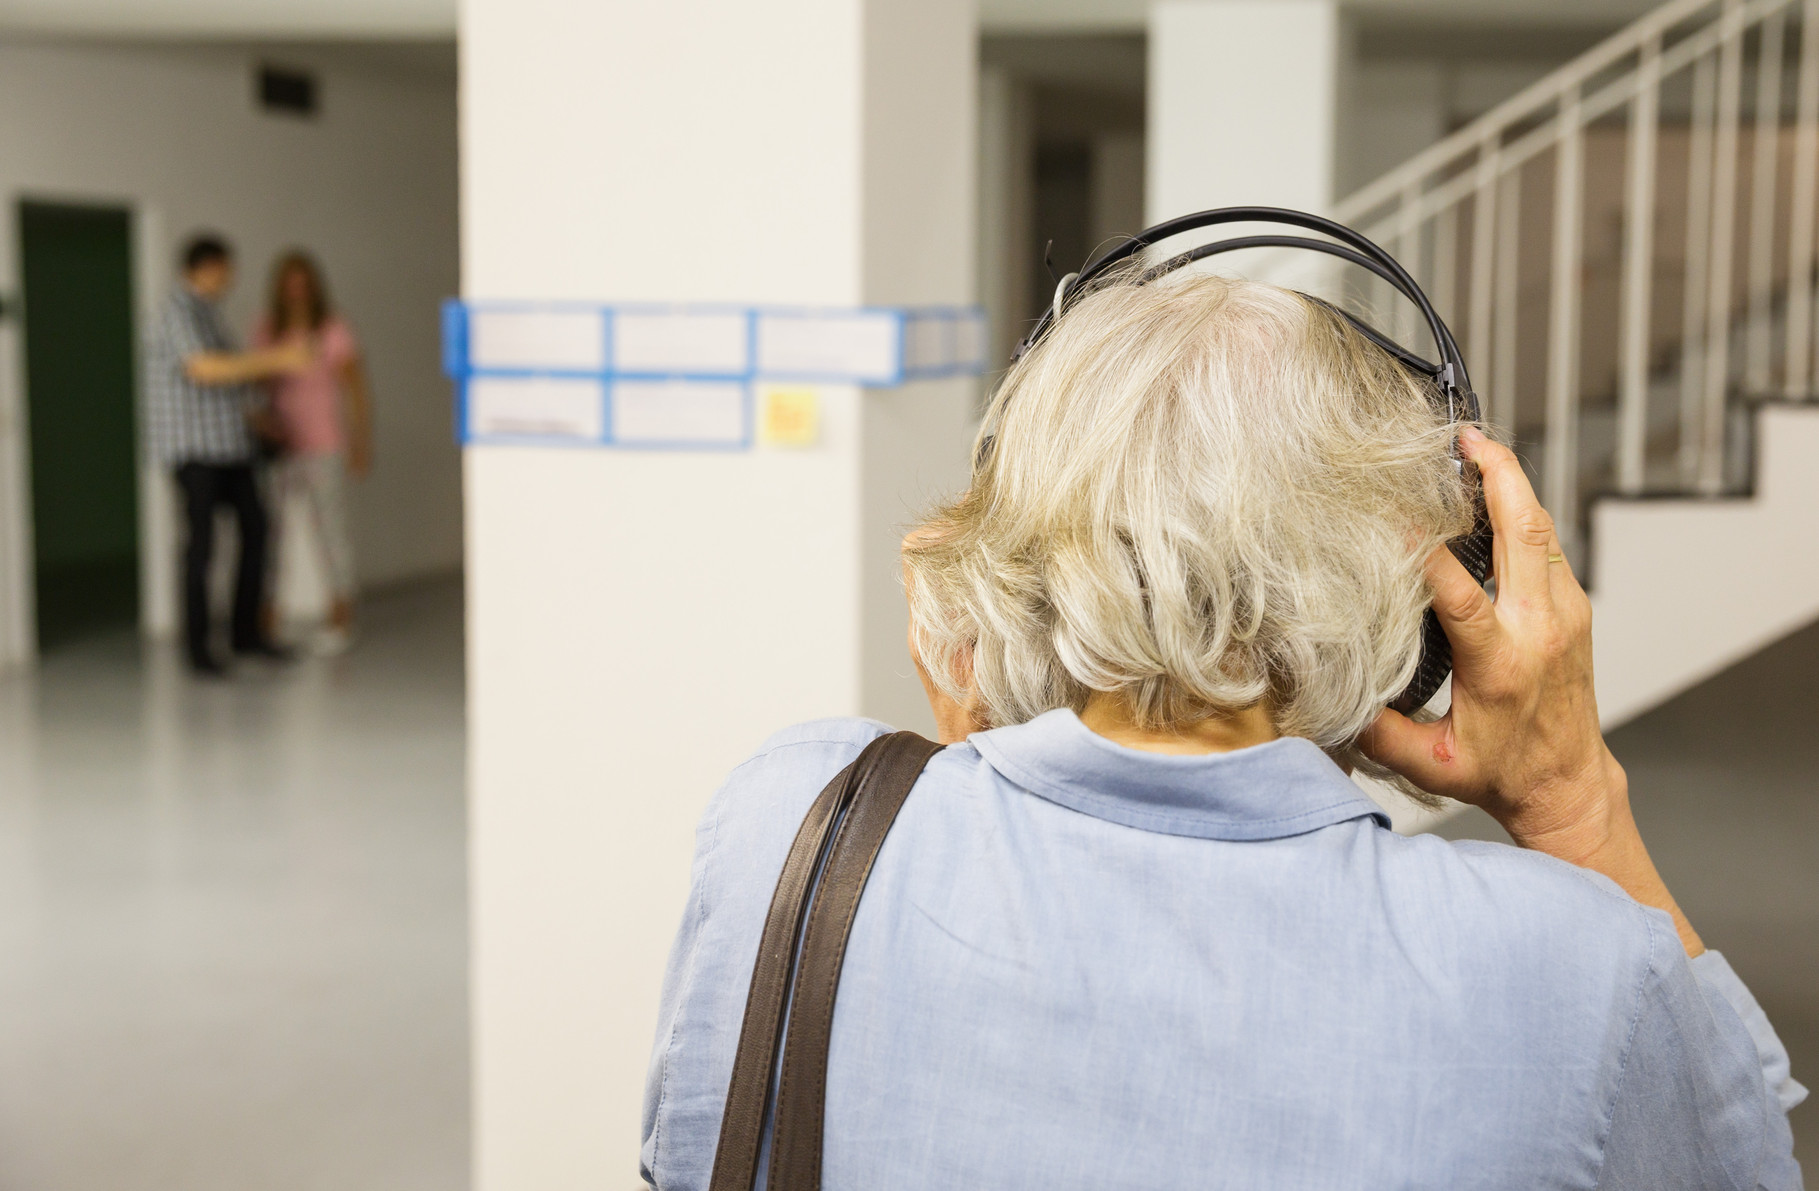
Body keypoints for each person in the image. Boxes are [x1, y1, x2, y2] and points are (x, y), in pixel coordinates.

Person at [639, 272, 1804, 1188]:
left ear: (1013, 542)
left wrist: (974, 743)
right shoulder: (1578, 974)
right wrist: (1570, 807)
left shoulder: (795, 820)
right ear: (1420, 597)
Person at [145, 234, 307, 676]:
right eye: (225, 270)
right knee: (201, 549)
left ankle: (246, 635)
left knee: (257, 532)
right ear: (206, 267)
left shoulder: (210, 315)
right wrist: (278, 359)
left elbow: (231, 381)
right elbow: (203, 369)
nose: (229, 279)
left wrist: (262, 421)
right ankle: (198, 650)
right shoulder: (176, 311)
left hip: (231, 447)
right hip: (195, 452)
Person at [252, 251, 372, 653]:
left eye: (303, 282)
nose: (296, 290)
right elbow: (256, 381)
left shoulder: (332, 329)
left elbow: (355, 386)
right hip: (281, 445)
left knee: (330, 529)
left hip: (323, 442)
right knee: (271, 533)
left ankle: (340, 613)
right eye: (289, 282)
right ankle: (267, 614)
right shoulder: (268, 329)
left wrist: (361, 440)